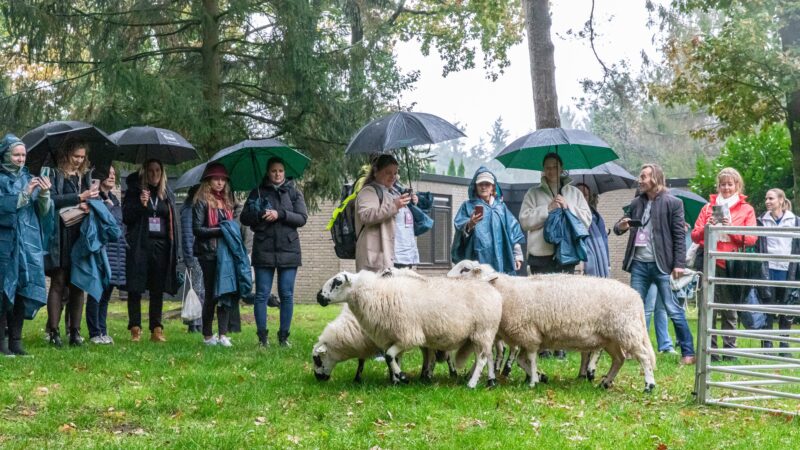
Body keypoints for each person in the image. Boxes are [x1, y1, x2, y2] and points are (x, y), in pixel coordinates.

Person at [615, 163, 696, 365]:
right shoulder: (636, 203)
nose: (639, 180)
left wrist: (678, 263)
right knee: (634, 309)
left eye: (643, 177)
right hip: (639, 265)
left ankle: (689, 353)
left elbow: (679, 236)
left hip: (662, 266)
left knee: (672, 309)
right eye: (640, 177)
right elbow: (618, 228)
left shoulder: (673, 203)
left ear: (655, 179)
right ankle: (635, 349)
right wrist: (622, 226)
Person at [520, 153, 591, 359]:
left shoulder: (574, 193)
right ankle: (541, 346)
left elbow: (587, 220)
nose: (551, 171)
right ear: (543, 170)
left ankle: (561, 345)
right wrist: (547, 209)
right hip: (540, 254)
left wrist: (569, 207)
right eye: (547, 167)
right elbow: (525, 221)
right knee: (540, 303)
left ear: (562, 169)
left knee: (563, 302)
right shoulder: (532, 193)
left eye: (555, 167)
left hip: (566, 254)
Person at [241, 157, 308, 347]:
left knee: (286, 294)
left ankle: (284, 336)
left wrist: (280, 214)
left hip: (289, 248)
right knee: (262, 294)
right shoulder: (258, 192)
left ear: (284, 172)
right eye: (273, 171)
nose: (277, 174)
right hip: (264, 248)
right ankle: (263, 338)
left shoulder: (294, 193)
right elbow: (245, 218)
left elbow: (302, 218)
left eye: (280, 171)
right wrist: (258, 211)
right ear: (268, 173)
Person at [691, 167, 756, 359]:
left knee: (730, 308)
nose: (726, 188)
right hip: (709, 261)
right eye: (722, 184)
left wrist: (732, 228)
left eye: (730, 184)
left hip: (731, 263)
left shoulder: (746, 209)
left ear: (737, 185)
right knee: (708, 307)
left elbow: (751, 238)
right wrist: (707, 227)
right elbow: (695, 236)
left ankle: (729, 350)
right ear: (717, 186)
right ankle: (710, 351)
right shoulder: (707, 208)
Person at [0, 134, 53, 356]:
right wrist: (24, 194)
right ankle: (1, 344)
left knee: (23, 288)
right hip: (5, 244)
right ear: (5, 154)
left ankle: (16, 340)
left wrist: (44, 194)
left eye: (23, 155)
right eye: (16, 154)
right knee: (3, 290)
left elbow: (43, 212)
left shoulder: (29, 177)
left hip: (28, 244)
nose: (21, 159)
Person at [123, 159, 182, 343]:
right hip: (140, 244)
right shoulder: (135, 191)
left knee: (157, 288)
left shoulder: (166, 194)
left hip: (161, 245)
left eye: (158, 170)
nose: (154, 174)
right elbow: (126, 217)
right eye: (150, 171)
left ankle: (156, 328)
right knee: (136, 286)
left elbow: (171, 220)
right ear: (144, 172)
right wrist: (141, 205)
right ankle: (135, 327)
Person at [46, 138, 97, 347]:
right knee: (58, 282)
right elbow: (52, 201)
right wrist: (79, 197)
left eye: (82, 157)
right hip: (60, 233)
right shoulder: (55, 175)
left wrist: (89, 203)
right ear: (67, 154)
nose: (79, 160)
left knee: (78, 283)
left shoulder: (85, 176)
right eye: (76, 156)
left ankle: (75, 332)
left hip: (80, 234)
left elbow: (90, 199)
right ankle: (54, 330)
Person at [193, 163, 237, 347]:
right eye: (216, 179)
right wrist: (221, 230)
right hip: (208, 253)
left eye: (222, 179)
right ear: (208, 181)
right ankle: (208, 335)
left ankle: (223, 334)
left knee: (226, 292)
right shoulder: (201, 201)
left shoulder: (228, 202)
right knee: (211, 293)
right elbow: (197, 229)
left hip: (226, 253)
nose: (219, 183)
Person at [452, 167, 524, 274]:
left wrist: (517, 255)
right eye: (480, 184)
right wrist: (469, 224)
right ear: (475, 187)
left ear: (493, 187)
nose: (484, 187)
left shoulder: (501, 208)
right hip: (476, 259)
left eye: (487, 184)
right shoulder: (467, 206)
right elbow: (459, 229)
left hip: (501, 260)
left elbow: (513, 230)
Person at [85, 165, 126, 344]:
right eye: (108, 173)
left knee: (107, 293)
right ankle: (94, 332)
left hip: (116, 250)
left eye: (113, 174)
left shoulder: (115, 200)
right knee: (96, 292)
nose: (111, 176)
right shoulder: (95, 197)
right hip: (101, 250)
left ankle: (103, 329)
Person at [353, 154, 410, 273]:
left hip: (397, 257)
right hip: (376, 261)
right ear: (375, 172)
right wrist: (395, 205)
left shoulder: (393, 192)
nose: (393, 176)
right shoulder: (368, 191)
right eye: (388, 172)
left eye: (395, 173)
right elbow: (366, 215)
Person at [758, 188, 796, 355]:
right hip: (768, 267)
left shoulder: (795, 220)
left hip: (788, 268)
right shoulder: (760, 221)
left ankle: (784, 344)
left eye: (771, 198)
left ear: (781, 200)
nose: (767, 201)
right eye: (766, 198)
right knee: (768, 305)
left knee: (786, 306)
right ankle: (767, 344)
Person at [180, 184, 204, 334]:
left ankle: (198, 321)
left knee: (200, 289)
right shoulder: (190, 210)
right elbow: (188, 235)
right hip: (195, 254)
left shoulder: (192, 208)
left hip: (198, 253)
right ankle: (194, 323)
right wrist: (189, 257)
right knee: (197, 290)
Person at [575, 182, 609, 277]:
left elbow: (604, 239)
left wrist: (607, 263)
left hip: (594, 257)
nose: (582, 197)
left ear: (589, 197)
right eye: (579, 194)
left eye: (585, 195)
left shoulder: (596, 217)